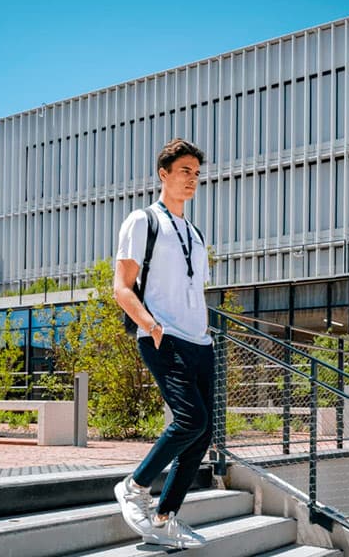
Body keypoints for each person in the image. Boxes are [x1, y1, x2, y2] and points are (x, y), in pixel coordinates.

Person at [112, 138, 213, 549]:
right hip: (163, 336)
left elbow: (193, 290)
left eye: (197, 173)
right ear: (164, 174)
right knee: (189, 420)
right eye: (185, 171)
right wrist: (150, 324)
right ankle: (134, 486)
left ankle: (165, 517)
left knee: (202, 433)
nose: (192, 180)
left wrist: (204, 332)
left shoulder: (194, 231)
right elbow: (121, 286)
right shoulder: (143, 221)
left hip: (199, 341)